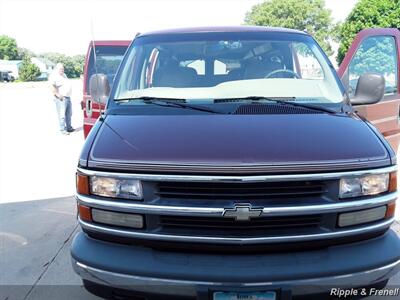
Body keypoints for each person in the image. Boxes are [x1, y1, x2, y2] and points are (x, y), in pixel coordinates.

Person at [49, 63, 74, 135]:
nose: (62, 70)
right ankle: (63, 130)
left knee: (69, 114)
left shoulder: (64, 75)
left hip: (68, 97)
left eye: (63, 68)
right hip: (61, 98)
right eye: (60, 69)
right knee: (62, 115)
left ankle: (69, 128)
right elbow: (52, 86)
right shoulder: (53, 76)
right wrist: (57, 94)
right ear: (56, 69)